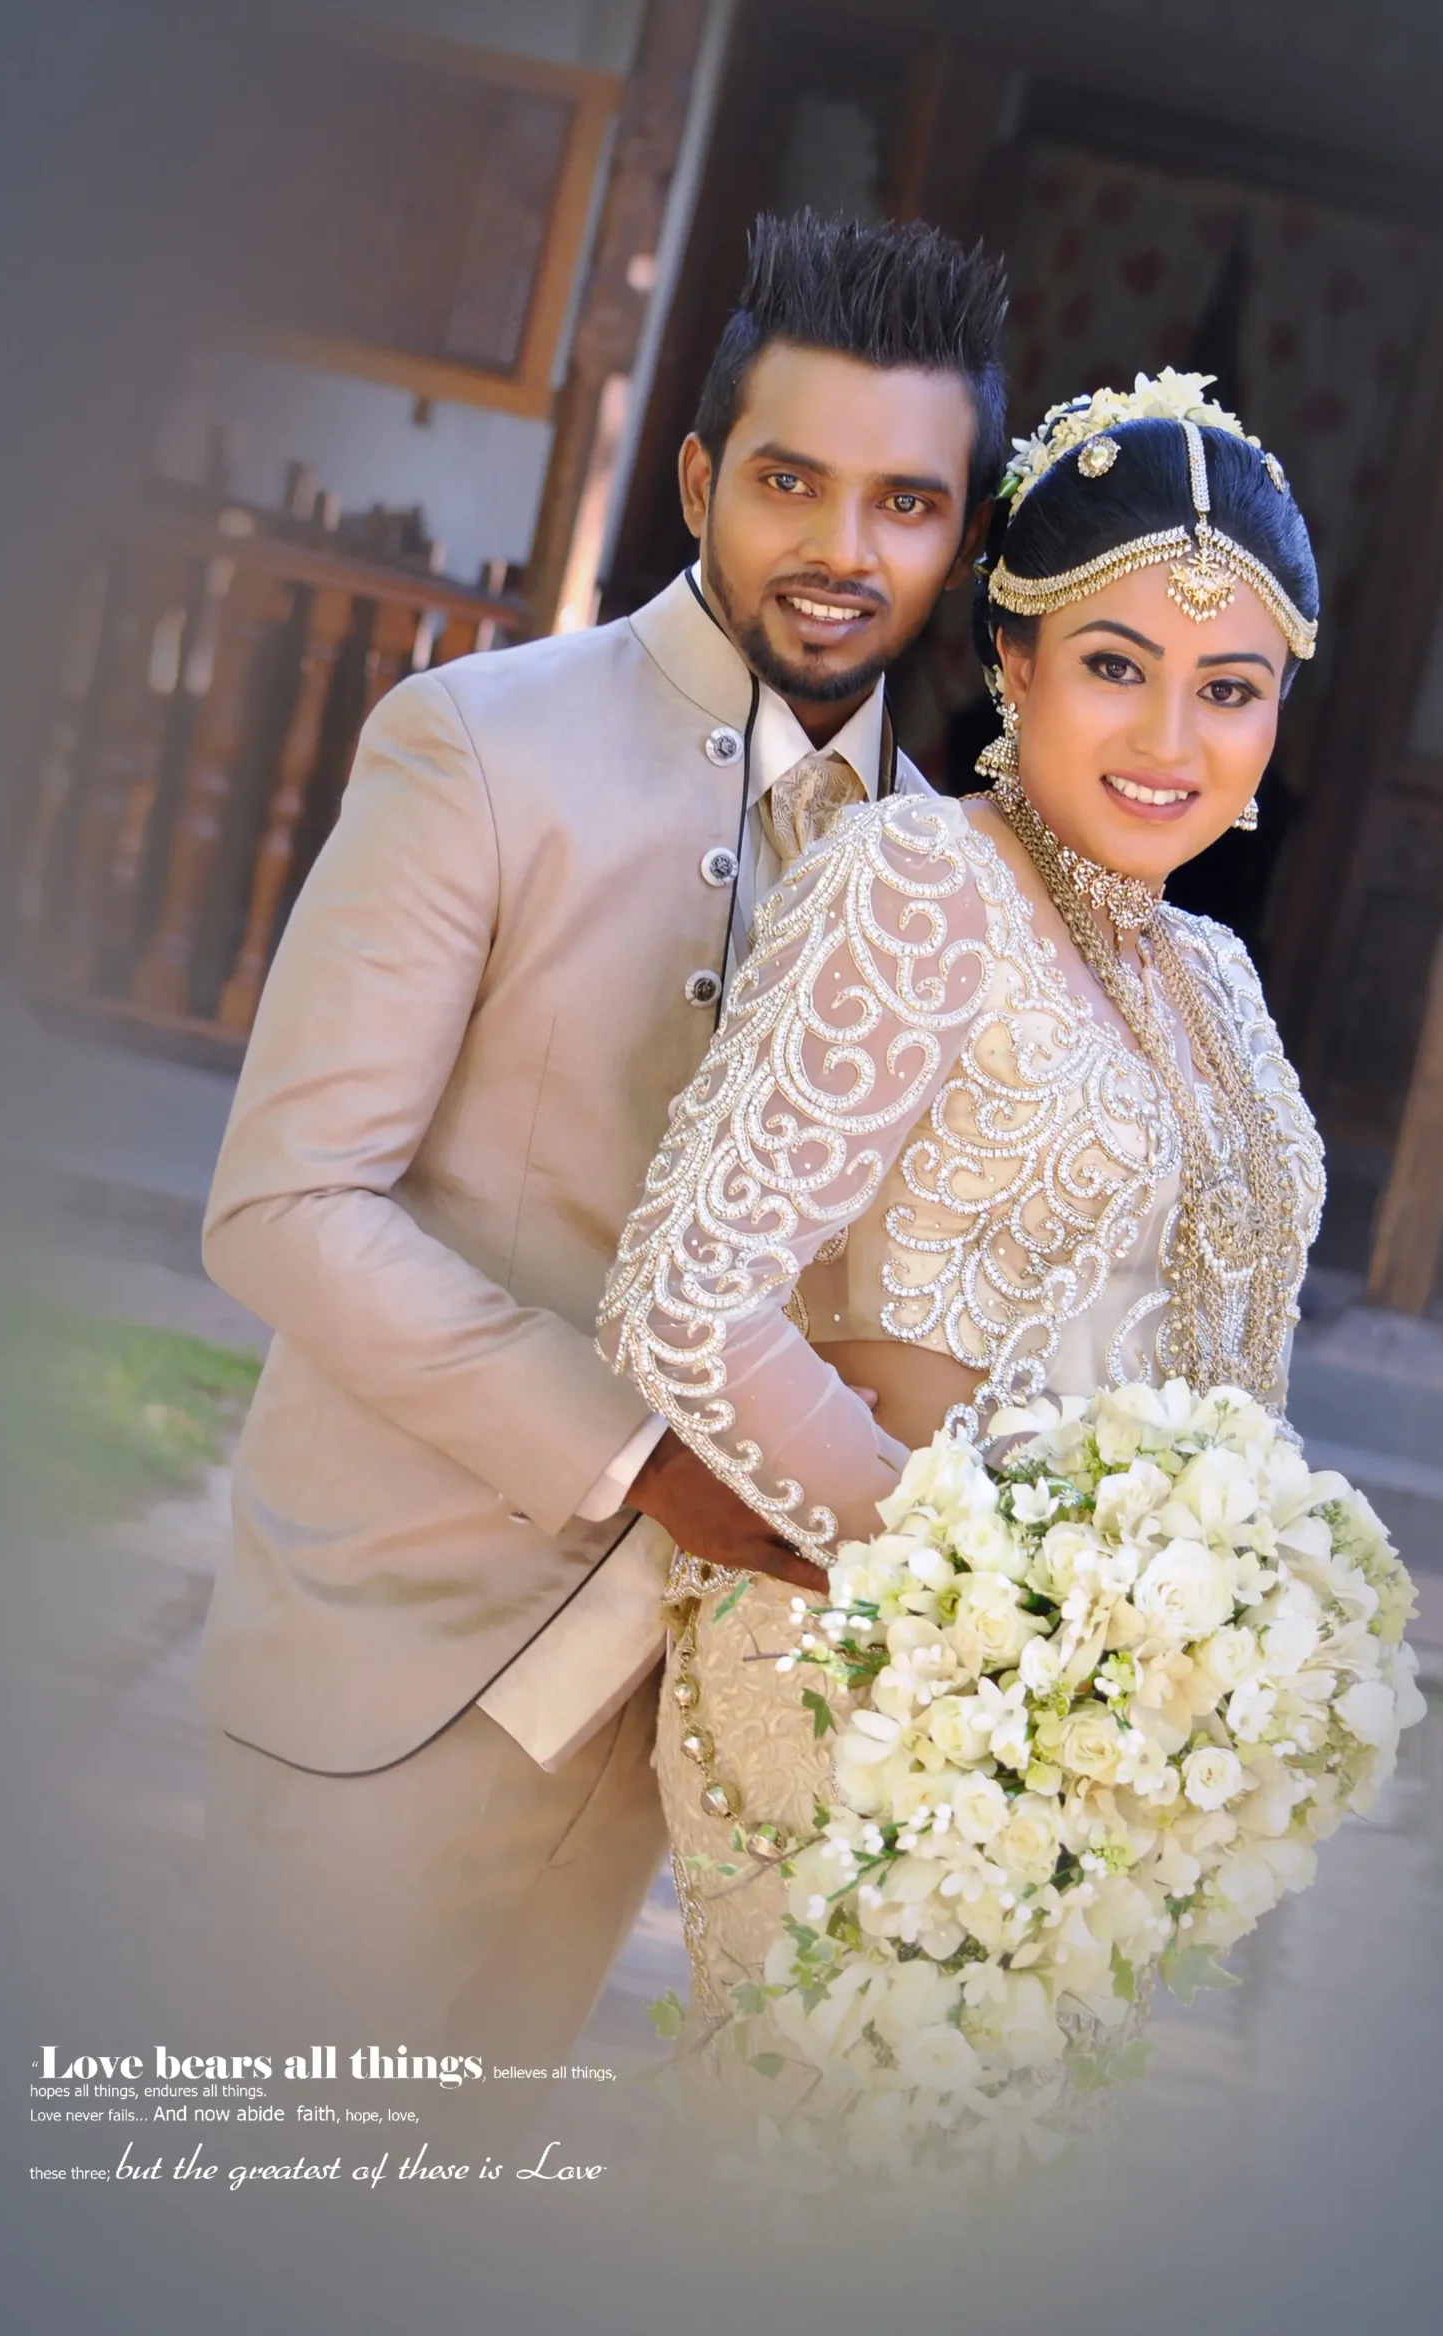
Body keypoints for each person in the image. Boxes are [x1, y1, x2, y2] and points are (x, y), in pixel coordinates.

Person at [194, 209, 1010, 2059]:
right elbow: (283, 1206)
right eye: (793, 481)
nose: (841, 548)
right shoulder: (478, 745)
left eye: (905, 502)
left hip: (682, 1719)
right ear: (702, 474)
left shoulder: (960, 864)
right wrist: (642, 1456)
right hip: (393, 1653)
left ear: (959, 538)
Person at [598, 371, 1327, 2051]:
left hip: (1090, 1742)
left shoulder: (1211, 977)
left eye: (1227, 690)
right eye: (1113, 668)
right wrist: (959, 1606)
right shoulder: (921, 884)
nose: (1168, 741)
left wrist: (1209, 1653)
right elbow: (686, 1297)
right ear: (1011, 660)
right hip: (863, 1691)